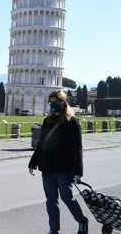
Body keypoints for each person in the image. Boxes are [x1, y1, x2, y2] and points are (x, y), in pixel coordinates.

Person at [28, 89, 89, 234]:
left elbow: (77, 149)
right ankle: (53, 229)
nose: (52, 105)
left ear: (63, 103)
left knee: (67, 198)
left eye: (55, 102)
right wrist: (33, 163)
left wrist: (78, 171)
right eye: (50, 102)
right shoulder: (47, 121)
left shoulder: (72, 122)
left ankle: (82, 221)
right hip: (47, 166)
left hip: (64, 167)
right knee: (51, 200)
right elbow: (41, 144)